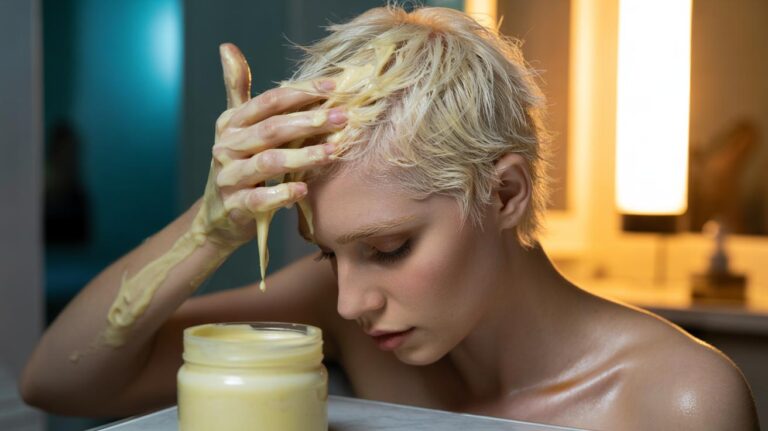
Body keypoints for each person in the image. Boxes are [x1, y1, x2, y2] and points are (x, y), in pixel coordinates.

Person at [20, 5, 758, 430]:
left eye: (389, 246)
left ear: (504, 195)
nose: (349, 299)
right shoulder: (340, 314)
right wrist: (211, 225)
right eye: (329, 253)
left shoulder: (677, 401)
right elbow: (58, 382)